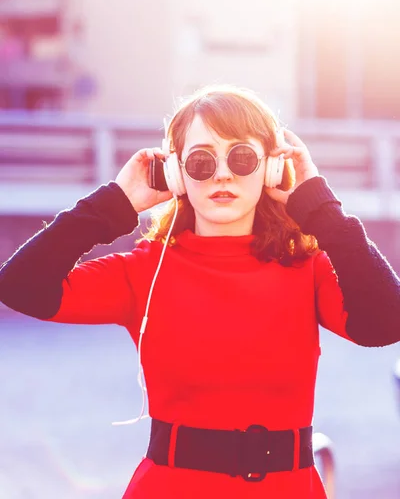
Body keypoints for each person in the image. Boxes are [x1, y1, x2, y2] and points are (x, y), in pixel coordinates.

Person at [1, 84, 400, 499]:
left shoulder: (308, 270)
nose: (223, 173)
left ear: (271, 169)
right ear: (175, 173)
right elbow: (20, 286)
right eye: (201, 160)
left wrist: (319, 207)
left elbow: (388, 321)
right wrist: (114, 203)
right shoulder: (144, 271)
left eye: (242, 157)